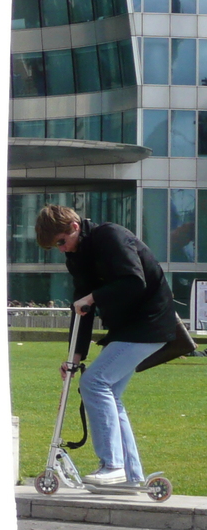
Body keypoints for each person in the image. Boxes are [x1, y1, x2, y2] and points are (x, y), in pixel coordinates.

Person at [36, 204, 180, 486]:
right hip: (127, 328)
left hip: (150, 322)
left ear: (74, 227)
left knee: (95, 383)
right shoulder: (77, 256)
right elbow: (81, 310)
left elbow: (133, 281)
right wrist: (73, 358)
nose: (62, 249)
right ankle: (131, 476)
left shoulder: (110, 236)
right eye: (57, 247)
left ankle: (113, 465)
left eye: (62, 242)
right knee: (109, 392)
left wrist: (92, 298)